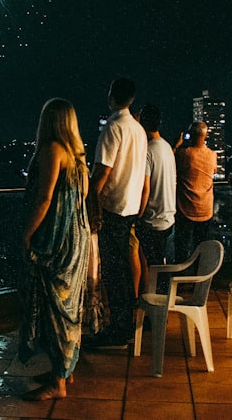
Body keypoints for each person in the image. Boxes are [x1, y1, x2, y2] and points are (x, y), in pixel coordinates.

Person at [18, 98, 91, 401]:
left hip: (56, 242)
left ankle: (57, 384)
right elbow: (82, 198)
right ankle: (65, 372)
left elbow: (44, 199)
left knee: (54, 310)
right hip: (77, 239)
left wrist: (26, 234)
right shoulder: (78, 157)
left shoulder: (52, 151)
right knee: (69, 308)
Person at [85, 77, 148, 348]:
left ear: (112, 96)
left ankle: (119, 330)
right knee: (121, 270)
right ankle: (124, 327)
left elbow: (102, 172)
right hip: (131, 208)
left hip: (113, 209)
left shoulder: (113, 127)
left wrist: (90, 202)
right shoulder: (138, 129)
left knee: (114, 273)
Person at [136, 104, 176, 293]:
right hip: (168, 217)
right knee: (162, 267)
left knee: (150, 267)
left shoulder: (148, 150)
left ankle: (151, 310)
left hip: (152, 219)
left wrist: (138, 216)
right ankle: (161, 305)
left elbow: (145, 189)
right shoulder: (167, 147)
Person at [173, 120, 218, 263]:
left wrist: (176, 145)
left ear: (190, 135)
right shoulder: (212, 155)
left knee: (182, 246)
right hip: (205, 208)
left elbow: (170, 162)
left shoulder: (184, 154)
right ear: (205, 136)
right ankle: (199, 279)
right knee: (201, 246)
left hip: (185, 208)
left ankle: (181, 278)